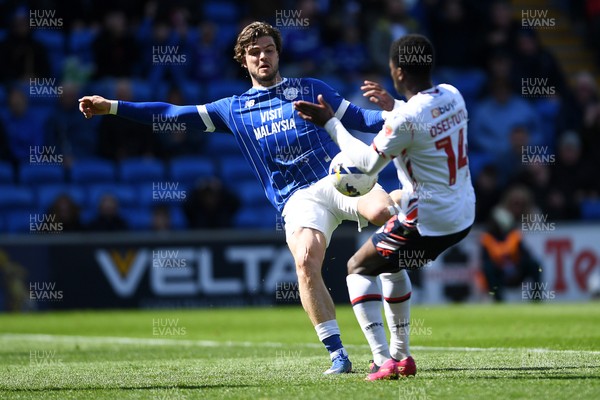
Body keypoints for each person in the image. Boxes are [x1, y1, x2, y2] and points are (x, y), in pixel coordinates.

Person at [79, 21, 400, 375]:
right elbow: (171, 114)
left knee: (386, 213)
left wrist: (401, 114)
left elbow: (361, 118)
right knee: (306, 260)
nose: (263, 57)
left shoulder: (310, 88)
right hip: (297, 198)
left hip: (337, 179)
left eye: (269, 50)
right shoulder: (233, 109)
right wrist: (111, 106)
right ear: (243, 60)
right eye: (254, 52)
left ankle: (394, 332)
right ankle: (338, 354)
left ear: (279, 54)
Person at [294, 34, 476, 380]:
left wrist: (330, 123)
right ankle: (401, 356)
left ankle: (384, 360)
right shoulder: (453, 94)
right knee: (389, 262)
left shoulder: (403, 122)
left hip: (429, 220)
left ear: (398, 72)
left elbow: (364, 166)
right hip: (463, 214)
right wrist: (393, 105)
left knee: (358, 267)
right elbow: (423, 119)